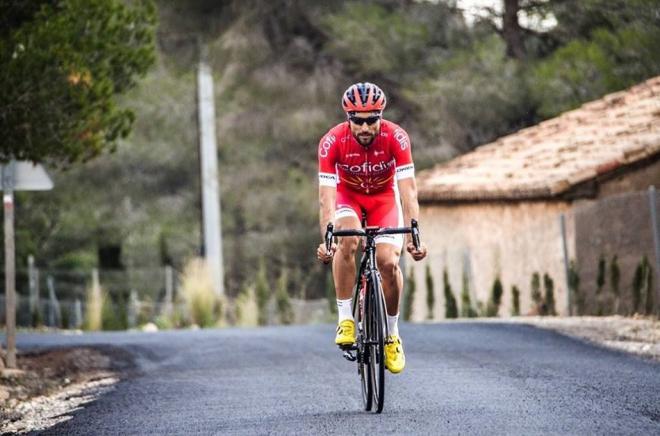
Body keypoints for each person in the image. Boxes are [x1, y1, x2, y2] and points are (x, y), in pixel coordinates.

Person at [316, 82, 428, 374]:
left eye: (372, 120)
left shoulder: (397, 138)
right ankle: (346, 320)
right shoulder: (332, 142)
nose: (365, 128)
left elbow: (408, 191)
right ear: (348, 118)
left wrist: (414, 233)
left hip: (383, 200)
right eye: (358, 121)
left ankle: (392, 334)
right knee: (348, 241)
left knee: (388, 262)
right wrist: (327, 237)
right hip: (348, 199)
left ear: (381, 116)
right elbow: (326, 198)